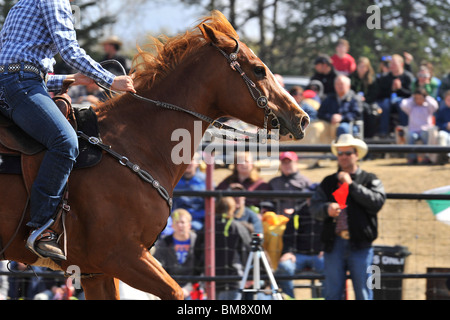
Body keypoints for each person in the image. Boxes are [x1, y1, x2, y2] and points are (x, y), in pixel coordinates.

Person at [0, 0, 136, 260]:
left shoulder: (21, 4)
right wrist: (110, 80)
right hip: (21, 84)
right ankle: (42, 228)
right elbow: (69, 51)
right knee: (64, 141)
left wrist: (69, 80)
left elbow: (20, 65)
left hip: (10, 84)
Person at [310, 134, 386, 300]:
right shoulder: (328, 182)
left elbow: (377, 202)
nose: (343, 157)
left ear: (356, 155)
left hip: (360, 244)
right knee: (332, 293)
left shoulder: (369, 179)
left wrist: (351, 185)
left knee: (364, 293)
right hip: (334, 243)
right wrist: (326, 209)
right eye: (340, 153)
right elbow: (314, 207)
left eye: (348, 153)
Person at [275, 184, 324, 299]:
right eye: (309, 196)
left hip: (321, 255)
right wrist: (288, 251)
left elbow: (333, 235)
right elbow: (288, 235)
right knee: (284, 267)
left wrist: (327, 249)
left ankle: (327, 297)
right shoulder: (298, 212)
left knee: (332, 267)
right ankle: (289, 298)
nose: (312, 199)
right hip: (297, 256)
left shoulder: (328, 212)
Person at [153, 209, 203, 300]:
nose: (180, 225)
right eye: (177, 222)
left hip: (193, 287)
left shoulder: (197, 241)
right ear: (172, 225)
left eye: (182, 222)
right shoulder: (164, 243)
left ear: (189, 225)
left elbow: (202, 269)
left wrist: (188, 289)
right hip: (170, 286)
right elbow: (159, 267)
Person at [213, 197, 251, 300]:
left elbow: (198, 253)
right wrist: (250, 275)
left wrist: (197, 275)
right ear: (233, 209)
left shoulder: (207, 227)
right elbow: (248, 252)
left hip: (211, 278)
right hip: (233, 278)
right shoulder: (239, 227)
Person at [376, 54, 414, 137]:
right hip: (388, 102)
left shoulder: (408, 77)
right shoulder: (385, 77)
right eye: (391, 64)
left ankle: (404, 132)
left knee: (402, 103)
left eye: (394, 64)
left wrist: (400, 89)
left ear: (401, 64)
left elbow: (411, 94)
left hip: (403, 102)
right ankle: (383, 132)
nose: (392, 66)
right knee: (384, 104)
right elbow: (379, 94)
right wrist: (391, 89)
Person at [400, 88, 439, 164]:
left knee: (427, 135)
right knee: (409, 135)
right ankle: (412, 158)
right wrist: (412, 98)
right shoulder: (411, 107)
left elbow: (435, 106)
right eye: (416, 98)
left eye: (420, 98)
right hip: (413, 131)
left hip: (425, 131)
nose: (418, 100)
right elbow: (403, 105)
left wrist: (426, 97)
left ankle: (427, 157)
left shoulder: (428, 107)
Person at [268, 152, 312, 217]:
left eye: (289, 162)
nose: (286, 165)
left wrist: (296, 210)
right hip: (276, 220)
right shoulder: (274, 182)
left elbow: (309, 203)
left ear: (296, 163)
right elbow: (267, 202)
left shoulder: (305, 182)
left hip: (300, 218)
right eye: (284, 162)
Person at [172, 153, 206, 231]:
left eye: (191, 160)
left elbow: (212, 205)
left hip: (197, 219)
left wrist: (193, 215)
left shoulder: (205, 181)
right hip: (176, 217)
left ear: (197, 163)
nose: (188, 163)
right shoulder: (174, 180)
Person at [349, 57, 380, 138]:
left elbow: (374, 94)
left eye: (364, 66)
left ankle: (369, 135)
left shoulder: (372, 79)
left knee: (370, 111)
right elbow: (349, 91)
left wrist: (365, 99)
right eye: (360, 66)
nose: (362, 69)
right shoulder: (351, 78)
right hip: (354, 101)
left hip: (368, 102)